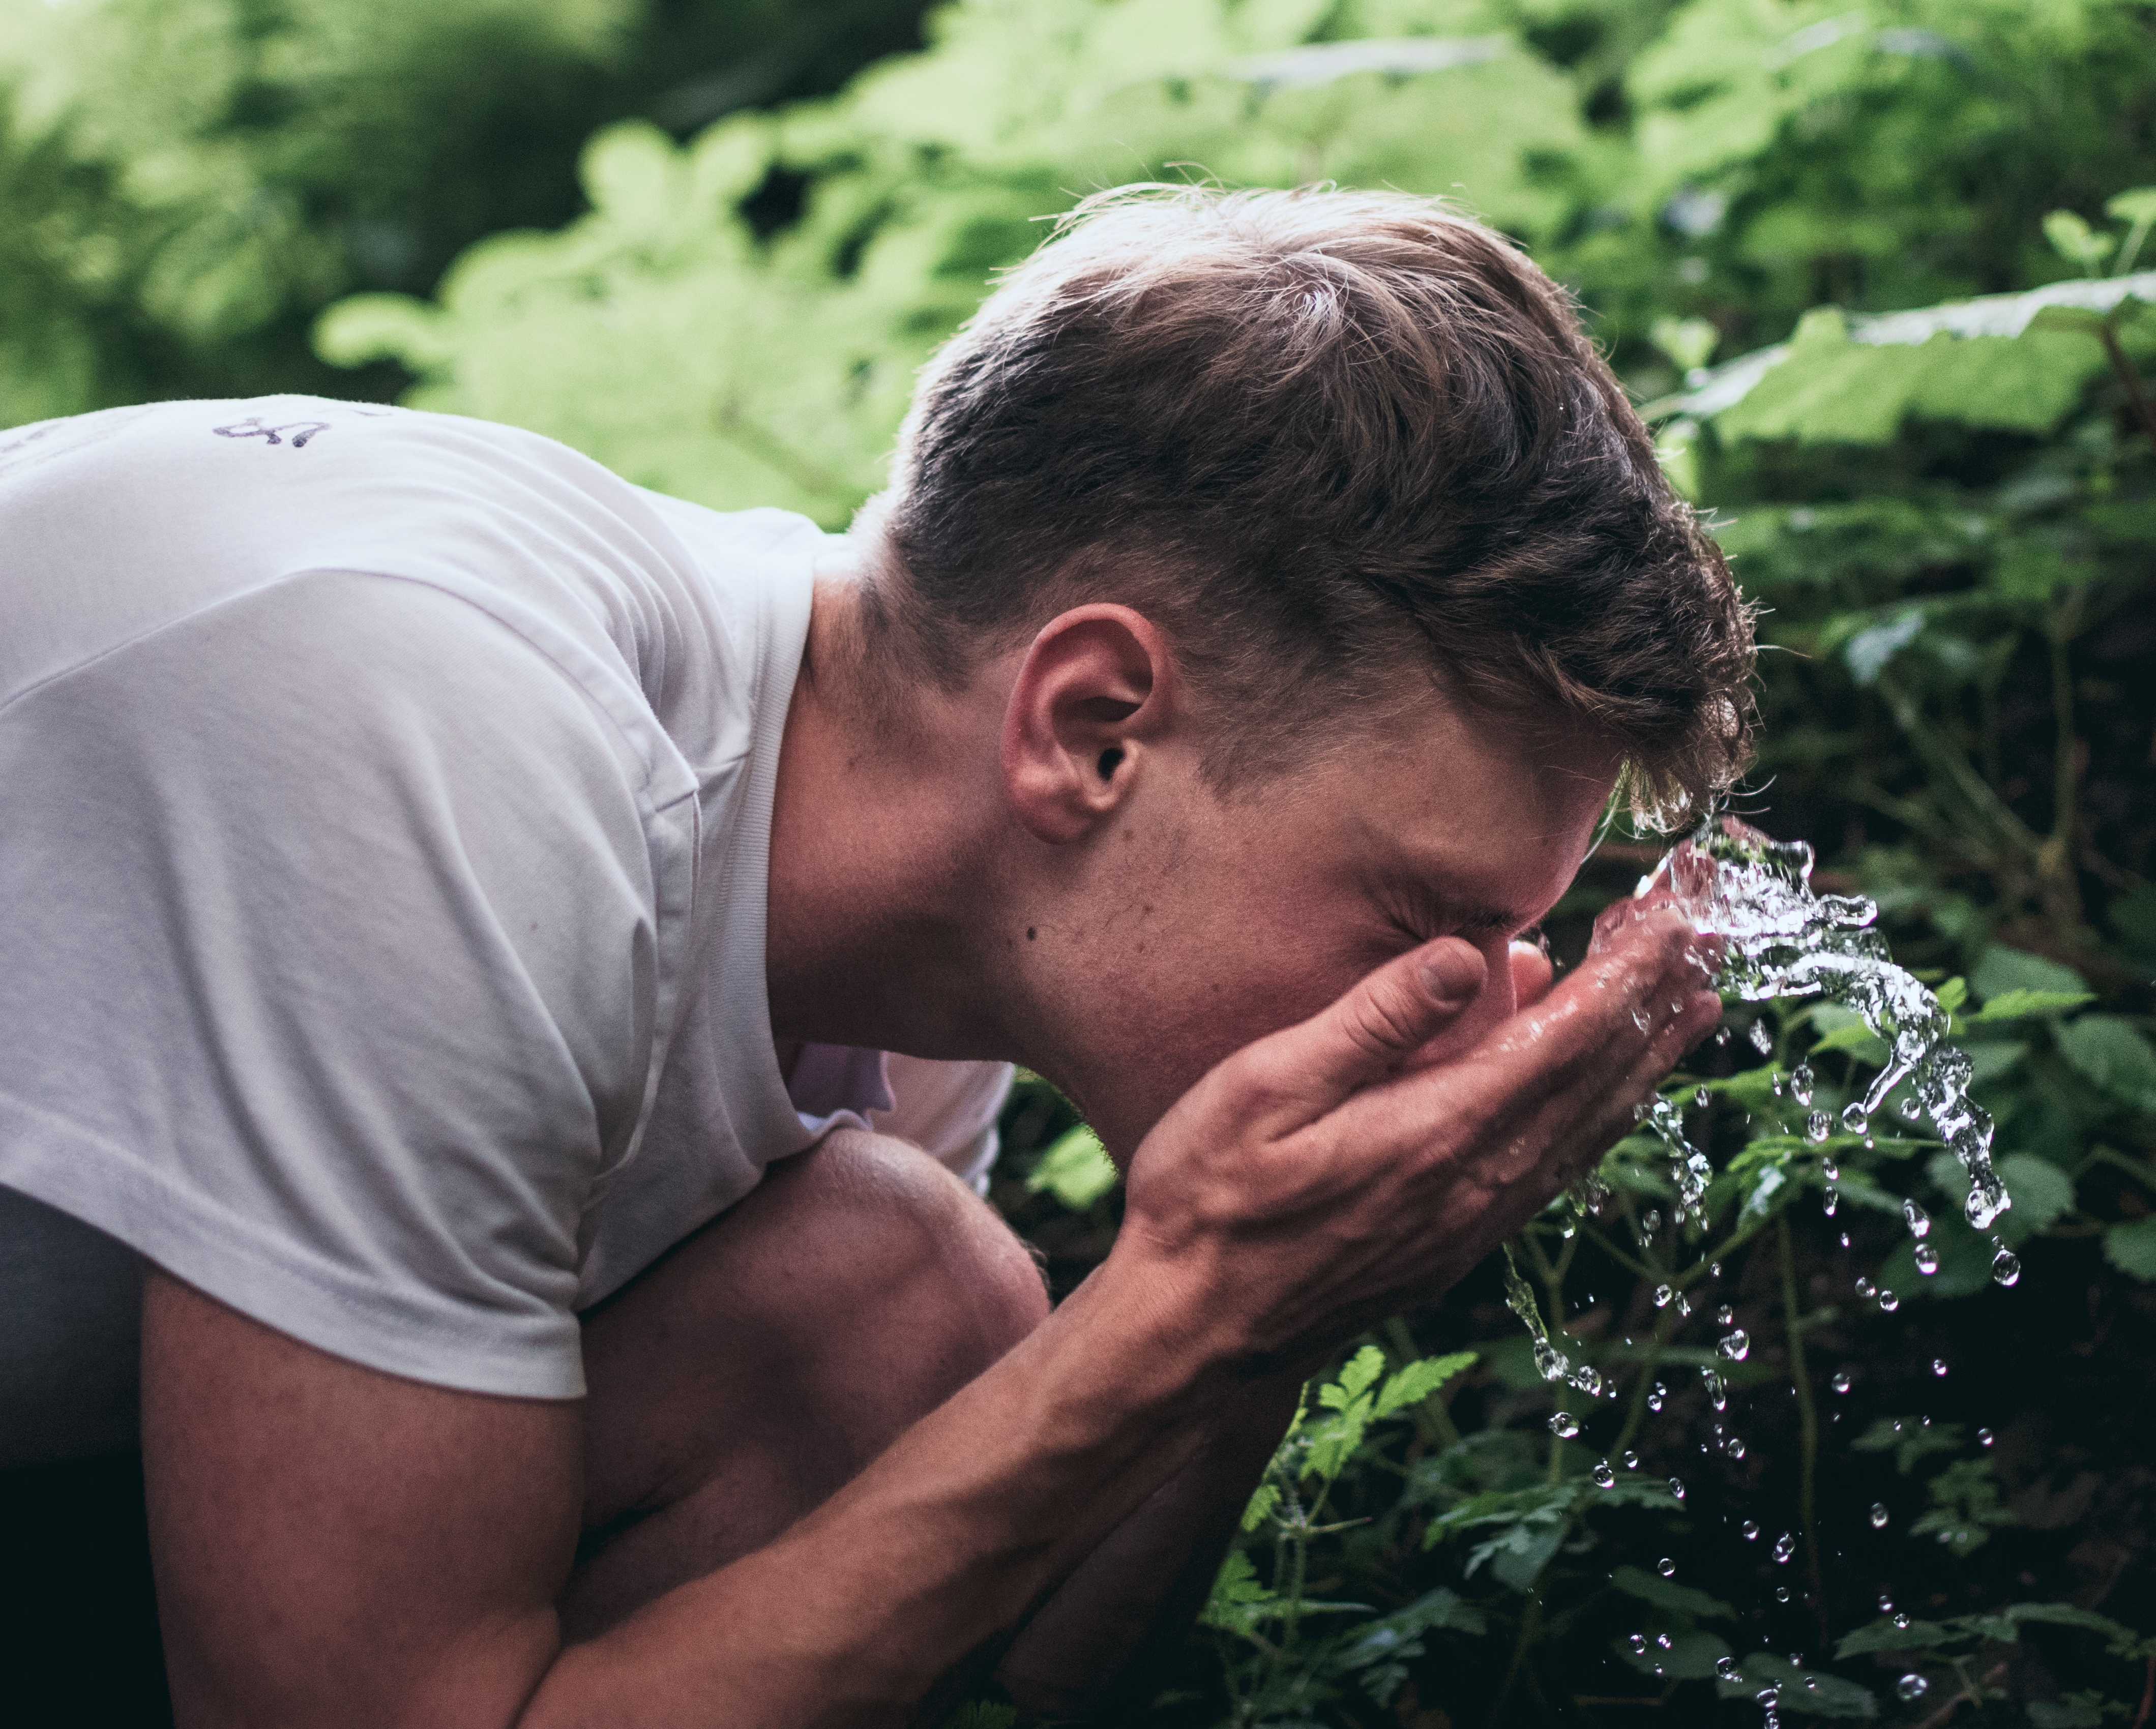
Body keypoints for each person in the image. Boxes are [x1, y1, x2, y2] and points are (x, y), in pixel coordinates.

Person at [0, 185, 1753, 1725]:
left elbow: (1035, 1651)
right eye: (1427, 925)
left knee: (896, 1311)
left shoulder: (914, 902)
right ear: (1094, 728)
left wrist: (1270, 1312)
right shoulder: (452, 755)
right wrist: (1192, 1302)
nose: (1462, 1014)